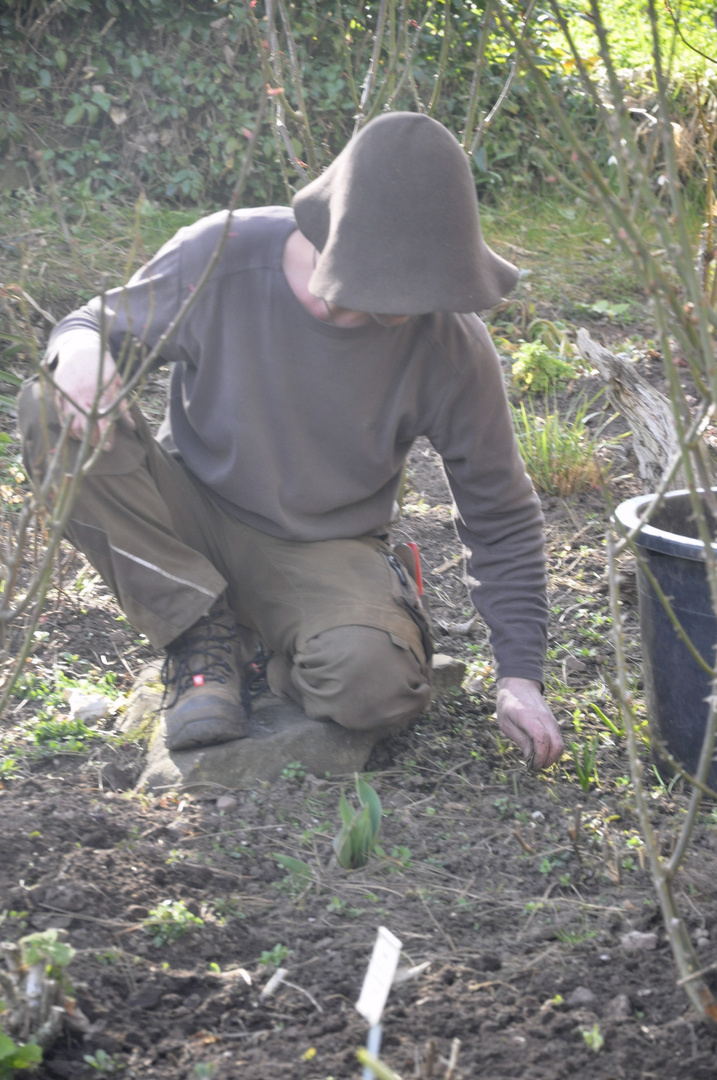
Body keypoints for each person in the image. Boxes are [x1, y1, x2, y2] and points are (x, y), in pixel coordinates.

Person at [19, 111, 564, 769]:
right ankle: (200, 635)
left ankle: (275, 645)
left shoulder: (448, 342)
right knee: (53, 406)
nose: (400, 311)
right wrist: (80, 347)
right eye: (379, 289)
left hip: (320, 550)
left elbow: (500, 514)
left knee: (374, 687)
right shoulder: (221, 255)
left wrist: (519, 677)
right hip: (191, 512)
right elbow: (90, 323)